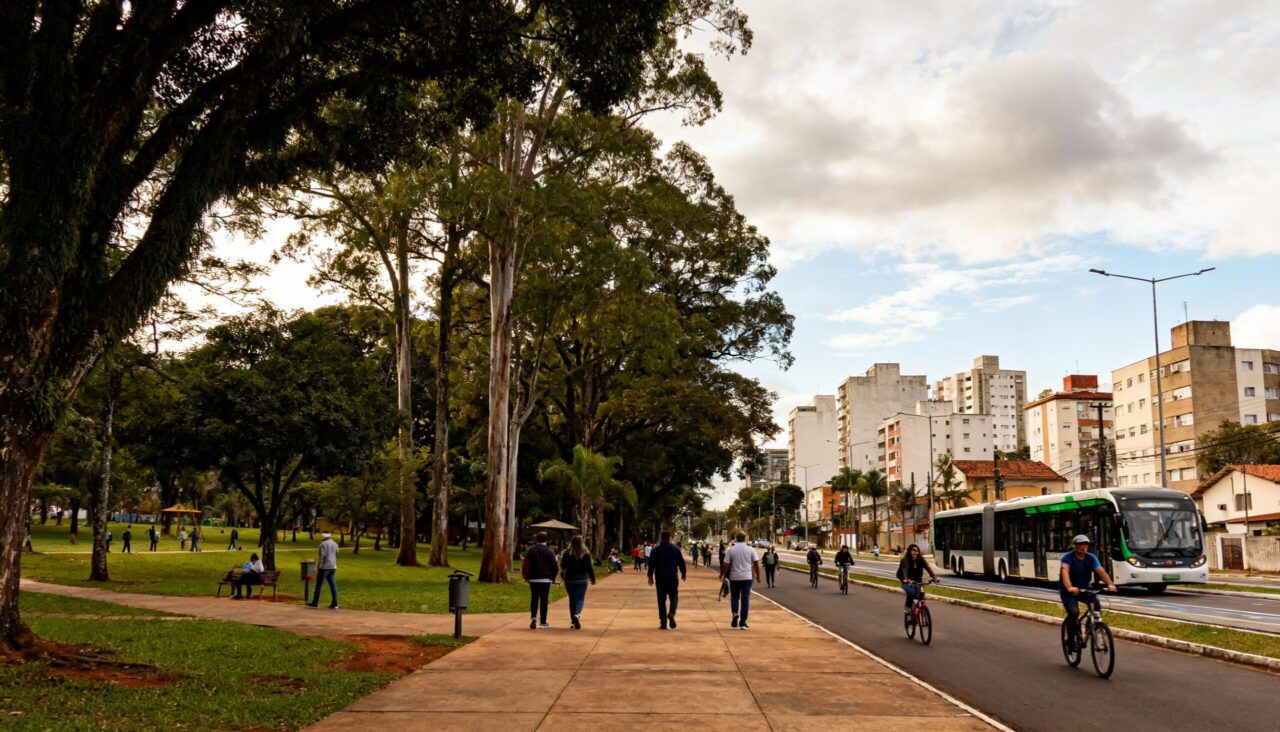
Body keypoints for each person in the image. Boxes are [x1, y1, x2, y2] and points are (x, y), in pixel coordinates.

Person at [1060, 534, 1117, 649]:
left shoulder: (1091, 558)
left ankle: (1091, 630)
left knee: (1096, 607)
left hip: (1086, 589)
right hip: (1070, 591)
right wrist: (1070, 587)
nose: (1083, 547)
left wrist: (1110, 584)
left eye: (1085, 545)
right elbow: (1065, 572)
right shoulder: (1068, 558)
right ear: (1075, 546)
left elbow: (1101, 571)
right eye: (1080, 545)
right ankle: (1070, 640)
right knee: (1074, 612)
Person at [648, 530, 687, 630]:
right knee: (674, 597)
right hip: (672, 578)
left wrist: (650, 577)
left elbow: (651, 565)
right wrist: (683, 573)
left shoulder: (655, 550)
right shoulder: (675, 549)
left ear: (661, 538)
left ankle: (663, 623)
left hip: (660, 579)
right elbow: (681, 563)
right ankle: (671, 613)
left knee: (661, 600)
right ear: (670, 538)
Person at [721, 531, 760, 629]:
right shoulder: (751, 549)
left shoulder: (731, 550)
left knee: (734, 596)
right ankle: (743, 622)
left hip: (734, 577)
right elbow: (756, 563)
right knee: (745, 599)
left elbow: (726, 565)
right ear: (745, 538)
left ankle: (735, 613)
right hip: (747, 577)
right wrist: (758, 575)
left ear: (736, 538)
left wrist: (724, 576)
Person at [521, 532, 558, 629]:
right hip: (546, 579)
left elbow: (525, 565)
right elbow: (555, 566)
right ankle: (543, 622)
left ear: (536, 540)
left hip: (533, 579)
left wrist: (526, 576)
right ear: (546, 540)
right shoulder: (550, 551)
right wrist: (552, 578)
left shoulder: (531, 550)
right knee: (544, 600)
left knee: (534, 599)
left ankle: (533, 617)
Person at [560, 535, 595, 629]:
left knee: (572, 599)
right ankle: (577, 614)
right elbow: (589, 567)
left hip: (570, 579)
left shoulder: (567, 553)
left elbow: (562, 566)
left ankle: (572, 621)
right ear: (582, 543)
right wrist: (593, 578)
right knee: (580, 599)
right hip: (582, 579)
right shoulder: (586, 554)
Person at [895, 543, 938, 620]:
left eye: (917, 551)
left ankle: (922, 611)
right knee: (911, 592)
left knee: (921, 595)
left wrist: (934, 577)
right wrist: (906, 579)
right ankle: (907, 607)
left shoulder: (920, 559)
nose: (915, 552)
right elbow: (905, 569)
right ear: (909, 551)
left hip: (918, 581)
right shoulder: (905, 560)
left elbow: (927, 567)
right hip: (907, 581)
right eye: (913, 550)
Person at [307, 531, 340, 609]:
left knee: (319, 585)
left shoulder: (323, 544)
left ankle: (315, 602)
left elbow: (322, 556)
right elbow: (337, 554)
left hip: (324, 567)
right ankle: (334, 602)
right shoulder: (335, 544)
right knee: (333, 585)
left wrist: (319, 567)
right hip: (333, 567)